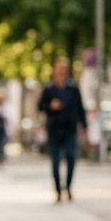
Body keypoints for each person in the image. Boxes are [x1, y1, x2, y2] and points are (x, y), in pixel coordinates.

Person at [38, 59, 87, 202]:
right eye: (59, 70)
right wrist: (50, 106)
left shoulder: (73, 88)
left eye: (64, 70)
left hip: (70, 129)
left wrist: (84, 126)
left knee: (71, 157)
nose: (62, 73)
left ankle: (69, 187)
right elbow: (40, 106)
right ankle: (58, 190)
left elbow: (80, 108)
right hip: (54, 129)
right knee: (55, 161)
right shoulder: (48, 89)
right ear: (54, 71)